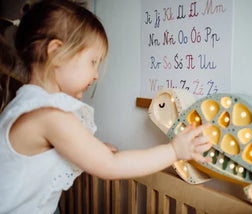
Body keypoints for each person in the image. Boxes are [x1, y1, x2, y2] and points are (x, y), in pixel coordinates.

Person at [0, 0, 212, 213]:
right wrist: (174, 151)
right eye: (93, 62)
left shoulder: (27, 104)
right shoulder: (49, 114)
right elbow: (111, 165)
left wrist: (93, 147)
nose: (96, 75)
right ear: (55, 53)